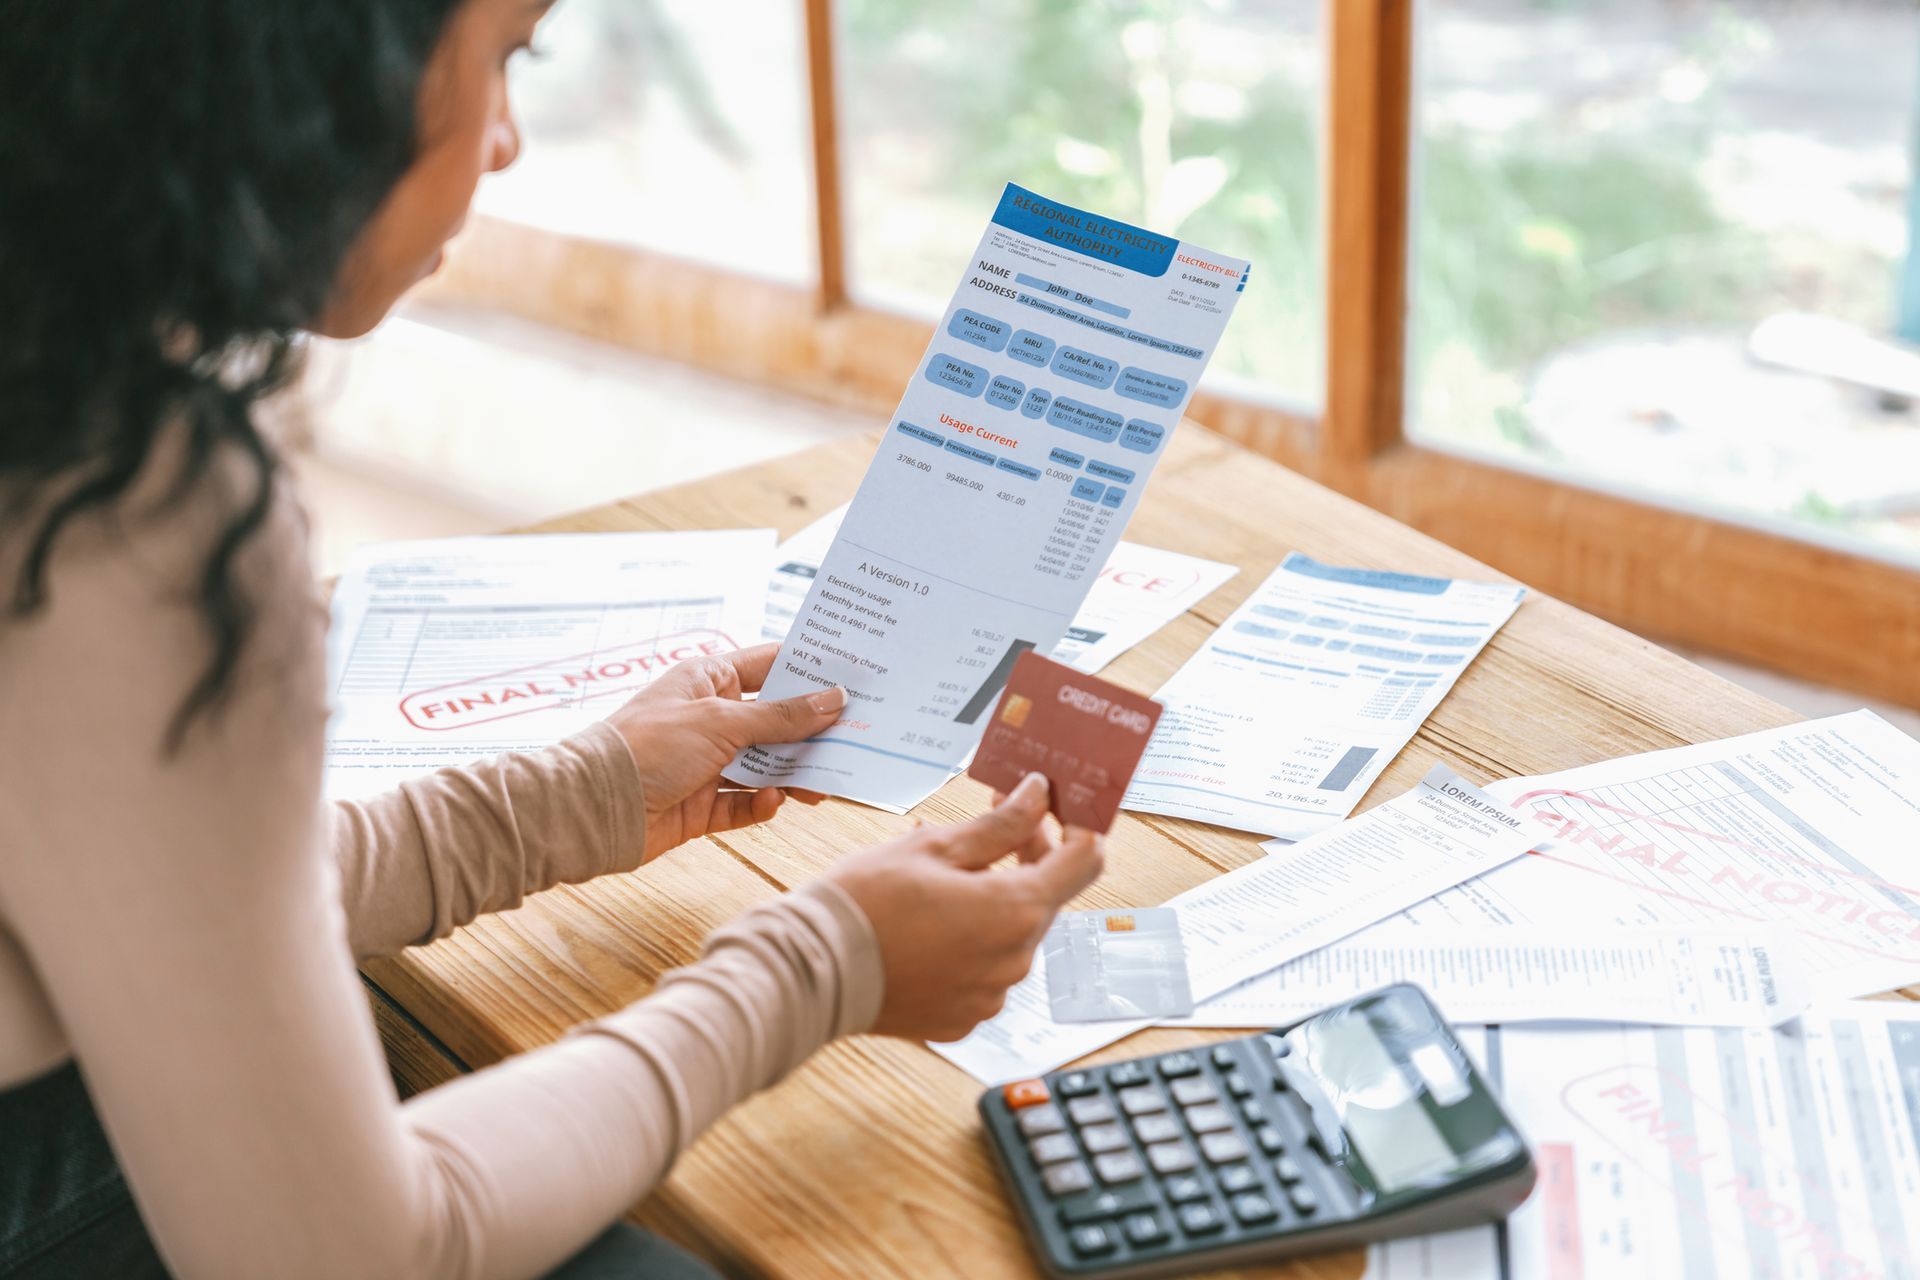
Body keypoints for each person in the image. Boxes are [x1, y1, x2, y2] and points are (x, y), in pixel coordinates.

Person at [0, 2, 1104, 1276]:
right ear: (307, 69)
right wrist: (818, 963)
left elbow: (162, 887)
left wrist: (569, 799)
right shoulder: (125, 508)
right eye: (503, 55)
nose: (507, 139)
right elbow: (357, 1255)